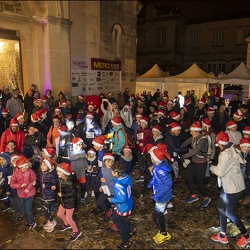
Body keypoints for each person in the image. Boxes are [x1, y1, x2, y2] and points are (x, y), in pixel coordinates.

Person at [210, 131, 250, 248]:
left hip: (234, 188)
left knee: (230, 213)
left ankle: (246, 236)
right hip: (229, 185)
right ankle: (222, 235)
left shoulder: (225, 154)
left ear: (219, 143)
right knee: (220, 207)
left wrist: (210, 166)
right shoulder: (232, 148)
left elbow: (220, 172)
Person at [181, 121, 211, 207]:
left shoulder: (203, 139)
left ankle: (206, 197)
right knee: (188, 178)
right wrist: (179, 149)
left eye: (192, 131)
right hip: (194, 161)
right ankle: (193, 195)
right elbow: (186, 142)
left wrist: (183, 156)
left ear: (197, 131)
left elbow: (195, 151)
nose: (190, 133)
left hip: (201, 163)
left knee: (200, 182)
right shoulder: (194, 137)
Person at [108, 161, 136, 249]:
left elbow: (121, 199)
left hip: (123, 207)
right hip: (128, 204)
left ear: (116, 173)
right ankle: (131, 229)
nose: (111, 172)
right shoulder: (126, 177)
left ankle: (126, 241)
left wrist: (111, 199)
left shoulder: (118, 185)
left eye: (112, 171)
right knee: (115, 218)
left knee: (120, 225)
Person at [147, 147, 173, 244]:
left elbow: (168, 184)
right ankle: (162, 231)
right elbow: (155, 177)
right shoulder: (157, 166)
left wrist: (157, 195)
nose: (150, 157)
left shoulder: (160, 170)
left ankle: (164, 233)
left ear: (156, 158)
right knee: (159, 215)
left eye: (151, 156)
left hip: (162, 197)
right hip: (160, 195)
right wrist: (150, 183)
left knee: (156, 216)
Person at [56, 162, 82, 242]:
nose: (58, 173)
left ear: (64, 173)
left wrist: (63, 194)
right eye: (57, 171)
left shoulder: (70, 182)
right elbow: (59, 187)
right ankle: (67, 224)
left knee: (69, 218)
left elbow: (74, 193)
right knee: (59, 214)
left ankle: (76, 231)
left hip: (70, 203)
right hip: (63, 201)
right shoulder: (61, 179)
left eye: (59, 172)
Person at [10, 155, 37, 228]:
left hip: (30, 194)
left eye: (26, 166)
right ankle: (27, 220)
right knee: (24, 209)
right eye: (23, 167)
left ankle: (31, 222)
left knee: (28, 210)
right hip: (21, 194)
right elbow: (12, 184)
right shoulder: (16, 173)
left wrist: (28, 188)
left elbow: (33, 180)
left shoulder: (30, 171)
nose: (25, 168)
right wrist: (20, 185)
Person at [36, 158, 58, 233]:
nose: (42, 167)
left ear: (48, 166)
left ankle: (52, 221)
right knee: (45, 210)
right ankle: (49, 220)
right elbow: (39, 182)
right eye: (42, 165)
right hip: (43, 194)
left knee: (45, 210)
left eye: (44, 165)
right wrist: (35, 186)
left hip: (50, 195)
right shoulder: (41, 173)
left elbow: (54, 185)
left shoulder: (52, 174)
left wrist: (46, 185)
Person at [70, 137, 88, 206]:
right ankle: (74, 199)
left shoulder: (82, 151)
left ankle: (82, 197)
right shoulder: (71, 151)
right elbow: (72, 157)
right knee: (74, 186)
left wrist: (86, 165)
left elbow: (85, 160)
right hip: (74, 171)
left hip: (82, 171)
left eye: (81, 144)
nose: (80, 146)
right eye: (79, 144)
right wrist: (82, 155)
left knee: (83, 186)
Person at [96, 153, 115, 222]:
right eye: (108, 162)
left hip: (113, 191)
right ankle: (108, 211)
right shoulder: (103, 169)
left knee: (113, 206)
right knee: (99, 202)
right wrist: (102, 185)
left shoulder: (114, 171)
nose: (110, 164)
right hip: (106, 189)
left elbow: (114, 183)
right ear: (104, 162)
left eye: (111, 162)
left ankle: (113, 218)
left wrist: (106, 181)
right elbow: (104, 179)